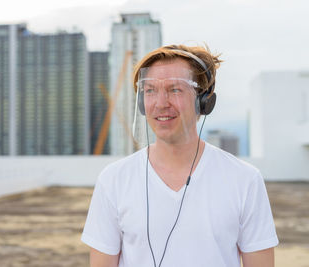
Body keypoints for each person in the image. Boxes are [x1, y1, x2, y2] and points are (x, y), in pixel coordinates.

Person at [81, 44, 279, 267]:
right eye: (150, 91)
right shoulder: (114, 180)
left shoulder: (245, 180)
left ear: (204, 101)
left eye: (175, 89)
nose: (161, 103)